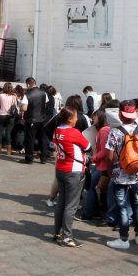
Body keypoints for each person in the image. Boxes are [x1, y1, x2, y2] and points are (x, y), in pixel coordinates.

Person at [104, 100, 138, 249]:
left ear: (120, 114)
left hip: (119, 175)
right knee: (137, 204)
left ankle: (123, 239)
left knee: (122, 206)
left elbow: (110, 157)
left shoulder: (115, 132)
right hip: (136, 173)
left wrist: (110, 171)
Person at [51, 106, 91, 247]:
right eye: (75, 117)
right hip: (73, 171)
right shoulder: (73, 132)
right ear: (69, 119)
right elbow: (87, 147)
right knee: (71, 205)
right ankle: (67, 237)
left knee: (61, 202)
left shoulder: (57, 130)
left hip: (60, 169)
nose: (77, 119)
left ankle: (57, 233)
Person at [81, 109, 110, 221]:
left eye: (95, 117)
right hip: (104, 165)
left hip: (102, 165)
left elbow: (104, 151)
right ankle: (95, 212)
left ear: (101, 117)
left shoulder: (103, 131)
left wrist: (93, 158)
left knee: (90, 187)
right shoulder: (105, 129)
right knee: (93, 187)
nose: (92, 118)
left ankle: (89, 214)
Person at [20, 77, 49, 164]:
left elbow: (24, 108)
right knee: (42, 138)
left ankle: (29, 158)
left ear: (28, 84)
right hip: (42, 119)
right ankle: (43, 158)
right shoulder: (43, 93)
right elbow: (45, 103)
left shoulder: (27, 94)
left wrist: (20, 107)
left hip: (31, 119)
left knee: (30, 139)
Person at [0, 82, 18, 155]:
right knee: (8, 133)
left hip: (2, 115)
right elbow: (15, 105)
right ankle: (8, 150)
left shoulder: (1, 95)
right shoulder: (14, 96)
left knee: (0, 132)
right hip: (10, 116)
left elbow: (0, 104)